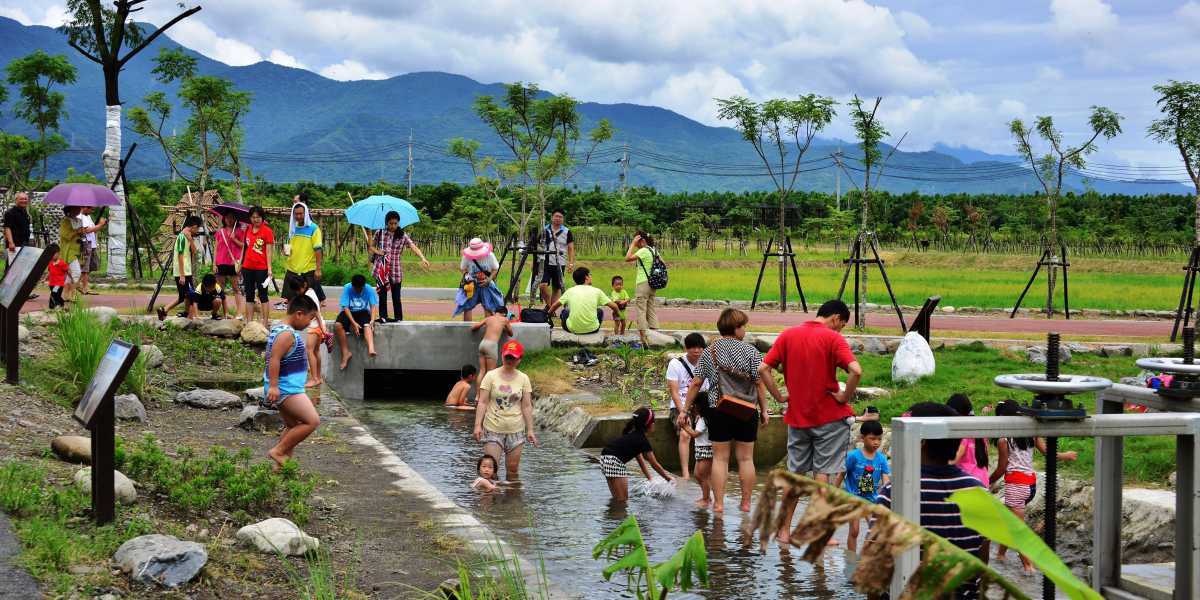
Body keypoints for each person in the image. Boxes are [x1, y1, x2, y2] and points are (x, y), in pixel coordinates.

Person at [759, 299, 862, 545]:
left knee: (796, 476)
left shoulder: (788, 335)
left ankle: (784, 531)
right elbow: (856, 371)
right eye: (842, 325)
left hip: (797, 418)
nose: (840, 330)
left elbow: (764, 368)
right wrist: (844, 396)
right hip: (829, 418)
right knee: (823, 475)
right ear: (836, 318)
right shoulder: (832, 338)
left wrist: (779, 396)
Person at [877, 402, 986, 599]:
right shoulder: (978, 491)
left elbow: (876, 571)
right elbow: (982, 565)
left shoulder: (895, 492)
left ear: (920, 442)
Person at [677, 308, 769, 514]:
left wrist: (684, 410)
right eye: (743, 326)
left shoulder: (710, 351)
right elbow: (760, 384)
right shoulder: (751, 352)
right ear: (736, 328)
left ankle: (718, 504)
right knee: (746, 459)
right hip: (746, 410)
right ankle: (745, 504)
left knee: (720, 459)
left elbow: (696, 383)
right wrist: (764, 410)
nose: (745, 330)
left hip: (719, 409)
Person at [990, 399, 1077, 573]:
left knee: (1018, 532)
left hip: (1016, 485)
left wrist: (988, 480)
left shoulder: (1004, 440)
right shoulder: (1031, 434)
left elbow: (1001, 467)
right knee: (1010, 522)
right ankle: (1000, 555)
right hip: (1030, 485)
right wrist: (1065, 455)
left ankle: (1029, 569)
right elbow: (1048, 452)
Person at [262, 294, 320, 470]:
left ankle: (280, 468)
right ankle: (278, 451)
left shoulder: (281, 328)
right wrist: (273, 386)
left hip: (286, 386)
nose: (309, 324)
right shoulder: (286, 334)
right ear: (299, 314)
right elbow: (274, 359)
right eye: (310, 319)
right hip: (287, 389)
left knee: (292, 426)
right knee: (312, 421)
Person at [472, 340, 538, 481]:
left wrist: (530, 429)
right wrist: (478, 425)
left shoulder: (523, 378)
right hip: (493, 428)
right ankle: (489, 500)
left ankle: (512, 501)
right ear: (502, 356)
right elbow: (482, 402)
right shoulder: (491, 376)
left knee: (513, 470)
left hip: (516, 430)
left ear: (519, 359)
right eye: (507, 356)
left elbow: (526, 405)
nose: (509, 360)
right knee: (490, 470)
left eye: (513, 358)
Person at [600, 407, 675, 502]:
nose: (654, 424)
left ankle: (613, 515)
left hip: (605, 458)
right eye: (653, 421)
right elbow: (654, 464)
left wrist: (650, 478)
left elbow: (640, 459)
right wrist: (668, 478)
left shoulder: (633, 435)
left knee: (617, 499)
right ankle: (620, 515)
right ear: (650, 425)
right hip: (614, 461)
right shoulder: (642, 440)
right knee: (623, 500)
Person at [837, 420, 889, 553]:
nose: (876, 442)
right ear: (862, 438)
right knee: (854, 531)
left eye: (879, 439)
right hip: (853, 498)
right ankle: (852, 558)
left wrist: (887, 499)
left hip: (871, 499)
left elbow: (886, 481)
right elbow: (841, 474)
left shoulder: (881, 459)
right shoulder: (853, 456)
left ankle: (868, 558)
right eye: (872, 438)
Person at [368, 210, 430, 322]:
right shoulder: (380, 233)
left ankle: (398, 319)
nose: (393, 226)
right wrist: (378, 251)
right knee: (382, 295)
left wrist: (422, 258)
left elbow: (413, 246)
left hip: (395, 268)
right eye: (390, 223)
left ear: (398, 223)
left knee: (396, 296)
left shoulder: (403, 235)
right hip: (382, 267)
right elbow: (371, 247)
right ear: (386, 223)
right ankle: (383, 317)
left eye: (395, 223)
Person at [665, 332, 709, 479]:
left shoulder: (707, 363)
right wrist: (682, 412)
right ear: (686, 348)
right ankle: (685, 474)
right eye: (693, 348)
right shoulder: (675, 364)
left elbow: (707, 390)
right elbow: (674, 392)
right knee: (685, 434)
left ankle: (706, 471)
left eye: (699, 348)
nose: (696, 351)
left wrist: (700, 413)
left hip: (701, 405)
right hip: (680, 406)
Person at [548, 267, 619, 335]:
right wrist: (617, 314)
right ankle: (591, 326)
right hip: (593, 329)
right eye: (590, 275)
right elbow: (614, 306)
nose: (591, 277)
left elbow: (554, 306)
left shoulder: (570, 291)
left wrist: (548, 315)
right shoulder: (597, 291)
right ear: (586, 277)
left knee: (565, 311)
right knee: (599, 311)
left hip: (572, 329)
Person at [156, 215, 202, 320]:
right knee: (189, 295)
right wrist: (182, 275)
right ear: (194, 226)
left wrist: (190, 240)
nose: (198, 231)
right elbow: (180, 256)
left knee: (185, 295)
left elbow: (194, 251)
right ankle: (188, 316)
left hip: (187, 271)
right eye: (198, 228)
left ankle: (166, 310)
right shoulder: (181, 237)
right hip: (182, 272)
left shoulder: (188, 237)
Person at [288, 277, 328, 387]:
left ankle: (314, 378)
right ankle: (318, 377)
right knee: (316, 351)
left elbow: (316, 312)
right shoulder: (311, 292)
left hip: (315, 326)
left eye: (298, 289)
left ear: (304, 285)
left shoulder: (308, 295)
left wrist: (322, 328)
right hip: (318, 325)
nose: (298, 292)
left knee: (309, 350)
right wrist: (322, 327)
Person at [283, 198, 324, 305]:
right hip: (292, 269)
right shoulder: (292, 228)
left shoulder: (314, 228)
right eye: (296, 214)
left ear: (306, 213)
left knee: (311, 300)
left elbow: (318, 249)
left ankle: (315, 320)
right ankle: (291, 321)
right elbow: (291, 246)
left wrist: (318, 269)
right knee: (291, 300)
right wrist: (286, 251)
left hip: (308, 269)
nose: (298, 216)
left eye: (301, 214)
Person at [333, 274, 378, 369]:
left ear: (363, 286)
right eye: (356, 289)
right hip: (348, 311)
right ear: (352, 286)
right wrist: (354, 323)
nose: (358, 291)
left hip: (362, 311)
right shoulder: (347, 287)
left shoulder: (369, 289)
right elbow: (345, 307)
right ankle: (346, 353)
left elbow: (373, 306)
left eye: (360, 289)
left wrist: (372, 320)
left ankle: (371, 348)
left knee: (367, 325)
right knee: (337, 325)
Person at [454, 238, 503, 322]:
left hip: (486, 285)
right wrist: (468, 277)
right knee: (467, 306)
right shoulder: (466, 257)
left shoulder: (490, 255)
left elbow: (495, 269)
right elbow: (463, 268)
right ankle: (467, 330)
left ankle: (487, 329)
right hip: (472, 286)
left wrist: (489, 279)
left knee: (488, 306)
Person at [624, 231, 660, 347]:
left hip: (643, 283)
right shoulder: (654, 250)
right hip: (653, 283)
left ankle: (644, 340)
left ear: (642, 241)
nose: (637, 244)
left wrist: (632, 244)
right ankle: (655, 336)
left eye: (638, 241)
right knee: (651, 309)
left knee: (641, 310)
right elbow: (663, 263)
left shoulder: (644, 250)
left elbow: (627, 258)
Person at [241, 206, 274, 327]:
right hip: (247, 266)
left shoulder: (267, 231)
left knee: (263, 295)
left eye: (258, 217)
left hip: (261, 268)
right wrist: (240, 263)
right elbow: (245, 248)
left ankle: (264, 322)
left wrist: (269, 269)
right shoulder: (247, 230)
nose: (256, 219)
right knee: (249, 295)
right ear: (250, 218)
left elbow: (269, 251)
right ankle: (249, 322)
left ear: (262, 218)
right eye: (253, 217)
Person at [947, 393, 989, 486]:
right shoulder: (980, 432)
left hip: (968, 483)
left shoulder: (962, 434)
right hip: (983, 480)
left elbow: (953, 460)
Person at [679, 402, 713, 508]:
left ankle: (707, 498)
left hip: (706, 451)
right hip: (701, 450)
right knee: (698, 475)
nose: (692, 407)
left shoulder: (704, 420)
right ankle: (706, 497)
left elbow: (694, 434)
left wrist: (684, 427)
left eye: (694, 405)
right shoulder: (701, 418)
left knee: (703, 476)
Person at [538, 209, 574, 308]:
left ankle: (551, 310)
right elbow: (539, 246)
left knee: (557, 287)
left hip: (560, 262)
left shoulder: (567, 231)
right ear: (552, 217)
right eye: (556, 216)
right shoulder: (545, 230)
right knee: (542, 285)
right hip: (545, 261)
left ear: (563, 219)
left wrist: (571, 263)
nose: (558, 218)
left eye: (560, 217)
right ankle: (550, 307)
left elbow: (570, 248)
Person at [471, 311, 513, 394]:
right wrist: (503, 328)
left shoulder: (488, 318)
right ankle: (487, 396)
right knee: (491, 372)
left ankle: (477, 396)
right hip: (491, 345)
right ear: (504, 313)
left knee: (482, 371)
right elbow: (511, 333)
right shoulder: (504, 320)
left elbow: (474, 327)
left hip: (482, 344)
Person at [214, 212, 246, 319]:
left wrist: (234, 239)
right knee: (220, 289)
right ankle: (225, 313)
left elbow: (243, 246)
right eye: (227, 217)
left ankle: (239, 313)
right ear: (224, 219)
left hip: (233, 263)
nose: (229, 220)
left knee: (236, 288)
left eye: (232, 218)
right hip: (221, 262)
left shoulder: (240, 231)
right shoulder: (220, 232)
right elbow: (216, 248)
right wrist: (214, 263)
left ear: (235, 219)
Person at [76, 207, 107, 296]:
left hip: (92, 244)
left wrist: (103, 224)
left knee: (94, 265)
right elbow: (87, 230)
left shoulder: (88, 217)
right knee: (85, 268)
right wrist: (100, 225)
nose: (92, 211)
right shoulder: (80, 216)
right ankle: (85, 288)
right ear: (84, 207)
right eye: (91, 209)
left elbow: (93, 229)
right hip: (85, 244)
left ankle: (77, 283)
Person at [4, 191, 33, 275]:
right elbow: (7, 228)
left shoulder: (25, 213)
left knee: (20, 268)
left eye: (25, 199)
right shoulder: (10, 213)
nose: (24, 200)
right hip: (14, 244)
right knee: (12, 268)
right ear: (16, 200)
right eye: (21, 199)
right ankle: (6, 286)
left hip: (24, 243)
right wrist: (11, 242)